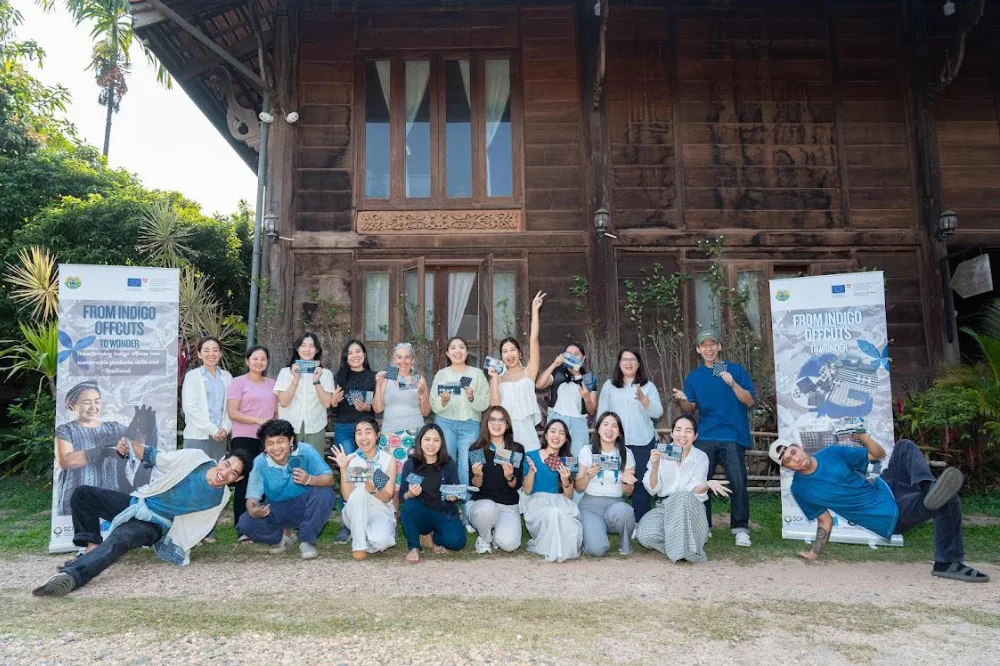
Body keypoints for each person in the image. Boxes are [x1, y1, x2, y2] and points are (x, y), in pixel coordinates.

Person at [32, 442, 249, 597]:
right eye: (227, 464)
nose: (225, 472)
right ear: (222, 460)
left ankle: (72, 577)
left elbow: (197, 526)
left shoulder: (220, 499)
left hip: (155, 524)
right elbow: (156, 456)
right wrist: (128, 442)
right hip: (138, 503)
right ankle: (91, 547)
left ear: (237, 480)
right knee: (83, 494)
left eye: (233, 473)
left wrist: (176, 543)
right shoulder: (196, 459)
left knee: (121, 538)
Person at [771, 435, 990, 582]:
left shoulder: (832, 453)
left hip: (888, 486)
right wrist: (814, 552)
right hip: (890, 515)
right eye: (788, 461)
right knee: (949, 501)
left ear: (798, 447)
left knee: (904, 446)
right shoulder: (800, 489)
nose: (795, 459)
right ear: (786, 468)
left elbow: (878, 455)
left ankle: (928, 488)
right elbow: (824, 521)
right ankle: (946, 563)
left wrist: (864, 436)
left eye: (793, 452)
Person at [672, 330, 756, 547]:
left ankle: (740, 528)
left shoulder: (734, 370)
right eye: (704, 346)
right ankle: (704, 525)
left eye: (712, 345)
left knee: (738, 482)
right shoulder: (695, 377)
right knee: (701, 482)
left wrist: (733, 384)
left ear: (719, 347)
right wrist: (683, 400)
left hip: (733, 435)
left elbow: (749, 402)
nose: (708, 349)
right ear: (699, 350)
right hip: (706, 434)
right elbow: (690, 409)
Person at [637, 415, 731, 563]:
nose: (682, 434)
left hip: (690, 509)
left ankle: (680, 552)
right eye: (678, 430)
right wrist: (655, 467)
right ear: (672, 434)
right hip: (664, 508)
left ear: (695, 436)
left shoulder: (701, 457)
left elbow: (693, 491)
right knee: (644, 535)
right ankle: (684, 545)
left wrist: (707, 484)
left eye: (688, 431)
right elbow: (652, 489)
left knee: (681, 497)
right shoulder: (660, 454)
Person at [237, 419, 335, 560]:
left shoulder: (306, 451)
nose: (276, 447)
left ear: (290, 441)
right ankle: (283, 535)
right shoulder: (260, 462)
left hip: (305, 506)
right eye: (270, 443)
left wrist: (309, 479)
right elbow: (252, 497)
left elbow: (329, 479)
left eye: (280, 441)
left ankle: (306, 541)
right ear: (264, 446)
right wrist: (253, 510)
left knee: (325, 492)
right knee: (245, 522)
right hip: (276, 510)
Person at [597, 349, 663, 523]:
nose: (628, 363)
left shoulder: (647, 386)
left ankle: (641, 523)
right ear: (619, 363)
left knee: (641, 483)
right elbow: (601, 415)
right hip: (616, 443)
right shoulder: (609, 386)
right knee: (613, 479)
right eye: (624, 359)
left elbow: (657, 412)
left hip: (642, 442)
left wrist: (643, 399)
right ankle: (614, 520)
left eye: (632, 359)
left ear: (638, 364)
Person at [181, 336, 233, 542]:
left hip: (219, 438)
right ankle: (189, 530)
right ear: (200, 354)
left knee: (216, 482)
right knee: (194, 482)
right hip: (198, 436)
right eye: (206, 350)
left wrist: (224, 428)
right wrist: (211, 428)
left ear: (220, 353)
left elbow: (230, 407)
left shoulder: (227, 377)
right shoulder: (193, 376)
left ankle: (207, 529)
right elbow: (190, 407)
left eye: (215, 350)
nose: (211, 354)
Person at [54, 381, 130, 516]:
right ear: (72, 404)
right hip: (77, 500)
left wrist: (127, 443)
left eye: (97, 401)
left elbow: (140, 439)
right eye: (87, 402)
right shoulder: (66, 430)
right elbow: (66, 461)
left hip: (111, 498)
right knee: (82, 535)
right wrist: (104, 451)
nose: (93, 407)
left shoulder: (115, 428)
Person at [328, 417, 397, 560]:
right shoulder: (351, 459)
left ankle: (363, 534)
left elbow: (388, 496)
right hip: (354, 511)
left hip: (380, 509)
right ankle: (359, 545)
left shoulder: (388, 459)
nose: (363, 437)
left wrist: (374, 490)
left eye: (368, 432)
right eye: (359, 433)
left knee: (380, 542)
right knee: (360, 492)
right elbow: (347, 497)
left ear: (377, 435)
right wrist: (343, 468)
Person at [226, 345, 278, 538]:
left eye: (263, 359)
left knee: (265, 480)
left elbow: (276, 412)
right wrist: (258, 421)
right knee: (243, 480)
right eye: (255, 358)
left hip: (266, 440)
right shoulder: (238, 382)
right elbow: (233, 412)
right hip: (243, 436)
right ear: (247, 361)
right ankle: (241, 526)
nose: (259, 362)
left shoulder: (273, 384)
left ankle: (260, 523)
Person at [398, 423, 468, 563]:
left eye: (436, 440)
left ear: (441, 443)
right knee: (409, 507)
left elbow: (455, 492)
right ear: (420, 441)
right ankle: (414, 547)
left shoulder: (448, 464)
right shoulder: (411, 464)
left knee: (457, 542)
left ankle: (434, 538)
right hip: (422, 514)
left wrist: (453, 497)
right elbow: (402, 496)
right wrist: (410, 494)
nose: (431, 444)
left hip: (444, 512)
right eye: (427, 439)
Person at [429, 336, 490, 493]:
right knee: (445, 461)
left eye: (461, 347)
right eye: (453, 348)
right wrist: (443, 401)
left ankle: (467, 507)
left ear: (467, 352)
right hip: (445, 422)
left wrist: (472, 397)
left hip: (470, 425)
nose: (458, 351)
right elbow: (433, 404)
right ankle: (446, 506)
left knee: (467, 465)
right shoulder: (441, 374)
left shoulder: (477, 374)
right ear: (448, 354)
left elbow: (485, 402)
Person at [331, 339, 376, 543]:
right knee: (348, 471)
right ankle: (347, 523)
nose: (355, 355)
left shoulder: (374, 377)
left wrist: (367, 408)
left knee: (368, 469)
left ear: (364, 355)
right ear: (346, 357)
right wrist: (334, 402)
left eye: (358, 351)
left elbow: (379, 406)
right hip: (344, 428)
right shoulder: (339, 376)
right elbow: (333, 408)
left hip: (366, 428)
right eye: (350, 353)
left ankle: (368, 519)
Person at [575, 412, 638, 557]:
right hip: (590, 506)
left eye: (614, 426)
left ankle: (625, 544)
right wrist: (588, 476)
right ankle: (595, 536)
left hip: (615, 504)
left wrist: (626, 482)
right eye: (605, 424)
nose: (609, 429)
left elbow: (629, 492)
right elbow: (578, 487)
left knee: (625, 512)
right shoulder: (587, 451)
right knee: (596, 550)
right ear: (598, 428)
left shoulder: (626, 453)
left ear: (619, 432)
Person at [489, 291, 545, 451]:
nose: (509, 354)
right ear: (501, 356)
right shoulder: (498, 377)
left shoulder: (529, 372)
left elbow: (533, 339)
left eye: (512, 349)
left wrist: (534, 310)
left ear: (519, 353)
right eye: (505, 351)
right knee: (508, 471)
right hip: (506, 432)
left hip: (527, 430)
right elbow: (494, 405)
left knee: (530, 469)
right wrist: (493, 378)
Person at [523, 419, 582, 562]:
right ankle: (553, 549)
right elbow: (527, 490)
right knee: (553, 513)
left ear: (566, 438)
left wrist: (565, 480)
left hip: (561, 501)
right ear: (546, 434)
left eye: (561, 433)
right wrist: (532, 472)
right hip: (538, 503)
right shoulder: (531, 456)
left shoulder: (569, 460)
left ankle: (560, 549)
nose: (556, 436)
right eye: (553, 431)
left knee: (561, 515)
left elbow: (569, 496)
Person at [468, 407, 525, 554]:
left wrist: (509, 477)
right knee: (486, 509)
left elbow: (516, 484)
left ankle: (495, 534)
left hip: (507, 504)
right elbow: (474, 485)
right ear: (486, 423)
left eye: (501, 420)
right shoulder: (477, 449)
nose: (497, 423)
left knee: (510, 544)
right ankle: (485, 537)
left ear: (507, 424)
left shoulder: (516, 449)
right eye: (492, 419)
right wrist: (478, 475)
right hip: (483, 502)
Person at [373, 342, 430, 487]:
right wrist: (378, 386)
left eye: (407, 357)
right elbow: (377, 409)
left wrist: (423, 393)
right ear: (393, 360)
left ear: (412, 361)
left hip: (414, 433)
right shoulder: (386, 378)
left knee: (416, 477)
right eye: (399, 357)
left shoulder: (419, 379)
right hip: (390, 434)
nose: (402, 361)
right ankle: (393, 510)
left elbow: (426, 412)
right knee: (391, 479)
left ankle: (413, 508)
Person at [274, 332, 339, 458]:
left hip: (315, 426)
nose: (307, 349)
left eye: (311, 346)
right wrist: (295, 379)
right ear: (297, 349)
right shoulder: (285, 372)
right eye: (303, 345)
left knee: (313, 465)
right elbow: (283, 402)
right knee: (289, 465)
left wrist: (316, 380)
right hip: (289, 425)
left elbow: (326, 403)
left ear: (317, 350)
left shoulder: (325, 374)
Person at [535, 343, 597, 455]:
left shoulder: (589, 378)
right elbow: (539, 385)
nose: (573, 357)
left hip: (578, 422)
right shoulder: (558, 372)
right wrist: (554, 364)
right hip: (556, 419)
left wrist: (586, 398)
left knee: (579, 458)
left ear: (583, 358)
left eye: (577, 354)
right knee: (553, 456)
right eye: (569, 354)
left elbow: (592, 410)